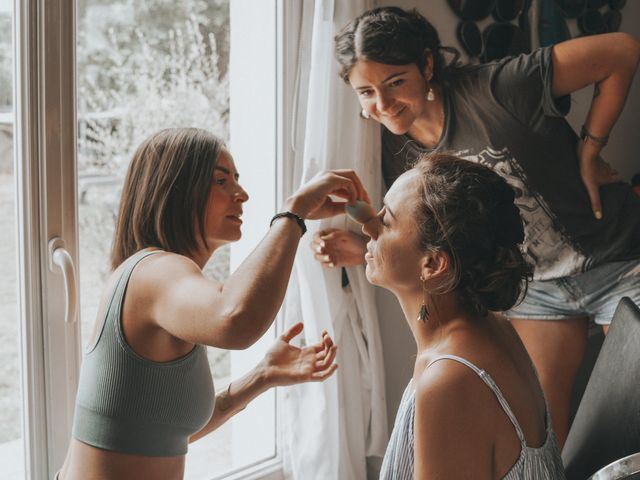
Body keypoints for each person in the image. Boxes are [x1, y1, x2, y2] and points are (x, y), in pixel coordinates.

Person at [313, 6, 640, 446]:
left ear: (427, 64)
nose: (383, 105)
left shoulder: (500, 86)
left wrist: (590, 150)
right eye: (366, 92)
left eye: (395, 83)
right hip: (538, 289)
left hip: (619, 257)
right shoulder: (396, 149)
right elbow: (431, 234)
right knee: (540, 431)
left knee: (629, 412)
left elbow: (621, 50)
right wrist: (362, 239)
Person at [58, 127, 370, 480]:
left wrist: (263, 376)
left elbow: (166, 435)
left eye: (236, 179)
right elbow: (234, 319)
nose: (242, 194)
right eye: (221, 181)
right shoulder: (154, 271)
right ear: (174, 189)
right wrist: (293, 213)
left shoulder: (165, 279)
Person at [361, 153, 565, 479]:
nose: (368, 225)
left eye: (386, 222)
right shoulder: (490, 325)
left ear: (433, 264)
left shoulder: (451, 379)